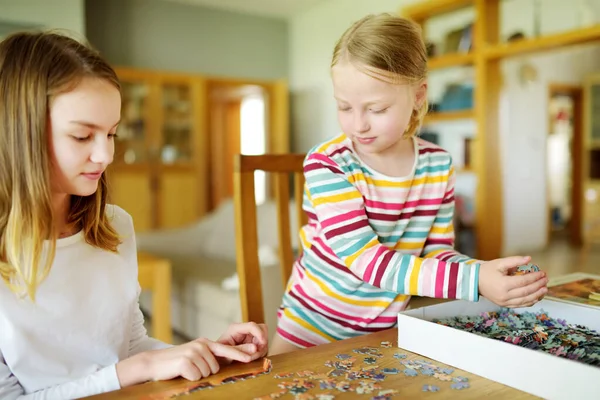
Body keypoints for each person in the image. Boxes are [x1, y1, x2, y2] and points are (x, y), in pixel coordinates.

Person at [0, 31, 267, 399]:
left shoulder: (115, 226)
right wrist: (136, 370)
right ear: (19, 134)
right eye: (82, 136)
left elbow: (130, 347)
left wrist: (202, 354)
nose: (106, 155)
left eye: (111, 133)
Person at [269, 13, 548, 355]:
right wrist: (476, 281)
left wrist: (485, 271)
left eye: (376, 108)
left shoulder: (438, 165)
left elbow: (436, 252)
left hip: (384, 332)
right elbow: (367, 262)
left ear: (418, 96)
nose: (358, 125)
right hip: (309, 327)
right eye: (344, 107)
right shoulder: (328, 163)